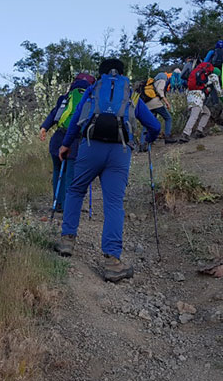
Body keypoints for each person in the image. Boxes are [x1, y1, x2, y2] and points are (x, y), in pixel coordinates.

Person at [54, 59, 161, 282]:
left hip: (90, 147)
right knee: (114, 202)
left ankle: (67, 240)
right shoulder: (130, 93)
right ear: (122, 74)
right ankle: (112, 261)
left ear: (100, 74)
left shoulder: (94, 89)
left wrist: (65, 143)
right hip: (120, 151)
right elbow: (155, 126)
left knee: (76, 190)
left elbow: (76, 119)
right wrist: (147, 139)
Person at [39, 72, 95, 211]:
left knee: (58, 170)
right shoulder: (90, 100)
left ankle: (57, 203)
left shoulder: (64, 98)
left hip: (58, 138)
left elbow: (54, 114)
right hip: (75, 140)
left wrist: (44, 127)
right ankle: (67, 206)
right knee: (71, 173)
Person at [179, 62, 221, 142]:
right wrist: (222, 100)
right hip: (198, 97)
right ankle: (185, 134)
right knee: (194, 115)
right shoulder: (213, 76)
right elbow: (219, 92)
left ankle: (199, 131)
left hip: (190, 95)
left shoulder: (200, 74)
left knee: (207, 113)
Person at [141, 72, 176, 145]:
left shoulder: (152, 83)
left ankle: (143, 143)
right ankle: (167, 137)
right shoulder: (162, 80)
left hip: (147, 104)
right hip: (156, 103)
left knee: (148, 122)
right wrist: (166, 102)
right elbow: (160, 91)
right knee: (168, 118)